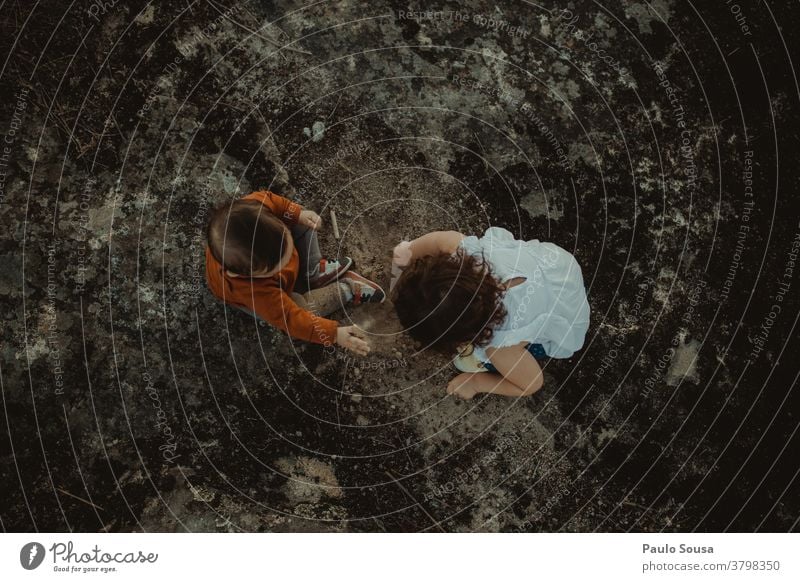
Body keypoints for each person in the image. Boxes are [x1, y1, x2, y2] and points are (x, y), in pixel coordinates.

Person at [391, 227, 590, 398]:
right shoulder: (464, 251)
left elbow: (531, 384)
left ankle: (478, 371)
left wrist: (477, 382)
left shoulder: (500, 343)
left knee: (465, 362)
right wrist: (406, 254)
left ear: (463, 339)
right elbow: (437, 241)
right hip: (556, 264)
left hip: (568, 310)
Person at [205, 191, 385, 355]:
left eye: (287, 246)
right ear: (242, 274)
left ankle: (313, 270)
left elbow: (276, 202)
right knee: (299, 307)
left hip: (269, 252)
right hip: (281, 293)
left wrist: (297, 213)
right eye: (276, 267)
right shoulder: (255, 292)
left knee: (303, 222)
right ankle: (347, 289)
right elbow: (292, 320)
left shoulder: (255, 207)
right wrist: (334, 334)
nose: (287, 260)